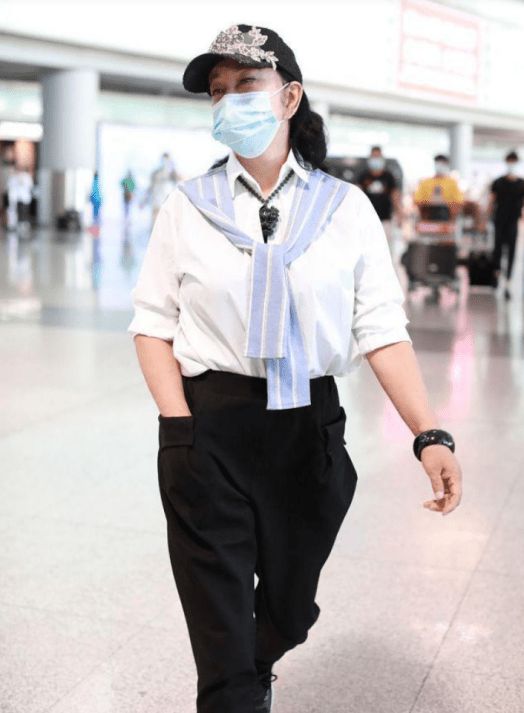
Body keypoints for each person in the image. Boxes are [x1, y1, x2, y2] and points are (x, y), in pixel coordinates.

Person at [127, 24, 463, 713]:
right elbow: (153, 323)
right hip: (209, 429)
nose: (229, 101)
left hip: (308, 430)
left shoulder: (345, 210)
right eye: (217, 91)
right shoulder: (187, 207)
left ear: (289, 98)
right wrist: (178, 427)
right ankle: (237, 688)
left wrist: (428, 432)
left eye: (246, 84)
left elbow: (381, 330)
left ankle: (252, 668)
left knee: (289, 610)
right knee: (222, 639)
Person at [486, 150, 524, 300]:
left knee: (512, 252)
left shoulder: (521, 184)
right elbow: (491, 202)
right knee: (497, 250)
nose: (511, 164)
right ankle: (495, 276)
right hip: (499, 221)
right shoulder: (498, 182)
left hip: (513, 222)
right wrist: (486, 220)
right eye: (509, 161)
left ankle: (508, 282)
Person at [357, 145, 402, 243]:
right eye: (374, 157)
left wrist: (399, 214)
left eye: (378, 157)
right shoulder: (363, 176)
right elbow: (357, 196)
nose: (376, 159)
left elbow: (395, 196)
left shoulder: (388, 176)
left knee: (385, 244)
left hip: (385, 219)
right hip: (367, 219)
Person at [414, 154, 464, 221]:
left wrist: (446, 204)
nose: (440, 166)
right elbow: (418, 201)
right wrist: (430, 203)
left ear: (446, 165)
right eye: (438, 162)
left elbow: (458, 202)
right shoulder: (425, 182)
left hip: (447, 212)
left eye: (443, 163)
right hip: (428, 211)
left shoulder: (452, 183)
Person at [147, 152, 178, 226]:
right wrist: (144, 201)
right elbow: (150, 187)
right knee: (155, 224)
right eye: (164, 159)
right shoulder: (155, 173)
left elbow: (178, 183)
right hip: (156, 201)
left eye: (167, 160)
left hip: (167, 202)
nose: (165, 162)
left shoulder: (172, 174)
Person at [6, 165, 33, 235]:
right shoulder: (13, 177)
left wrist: (21, 181)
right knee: (13, 211)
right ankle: (13, 225)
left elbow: (29, 186)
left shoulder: (26, 177)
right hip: (16, 198)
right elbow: (9, 186)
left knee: (24, 212)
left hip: (23, 198)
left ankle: (23, 225)